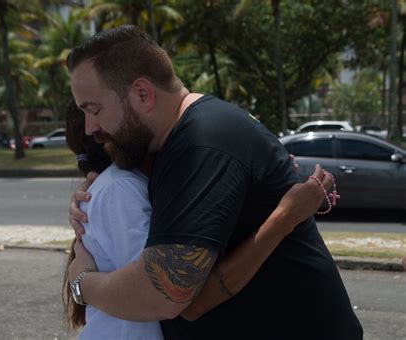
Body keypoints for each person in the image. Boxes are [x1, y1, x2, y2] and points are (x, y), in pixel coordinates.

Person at [67, 26, 363, 339]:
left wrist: (82, 282)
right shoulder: (182, 141)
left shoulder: (202, 144)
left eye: (94, 109)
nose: (89, 128)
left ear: (142, 94)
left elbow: (164, 293)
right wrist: (93, 202)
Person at [63, 99, 334, 339]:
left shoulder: (142, 184)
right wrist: (285, 216)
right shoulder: (122, 189)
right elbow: (169, 294)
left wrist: (261, 176)